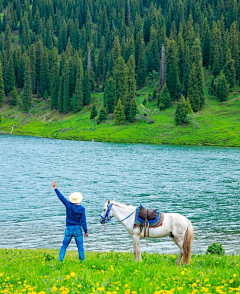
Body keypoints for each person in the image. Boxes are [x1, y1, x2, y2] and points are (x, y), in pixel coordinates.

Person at [53, 181, 88, 261]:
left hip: (68, 228)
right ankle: (82, 262)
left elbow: (61, 197)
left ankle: (60, 260)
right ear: (79, 200)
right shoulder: (82, 209)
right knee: (80, 247)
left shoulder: (68, 205)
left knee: (64, 246)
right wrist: (86, 231)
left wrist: (55, 188)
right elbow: (83, 221)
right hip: (77, 229)